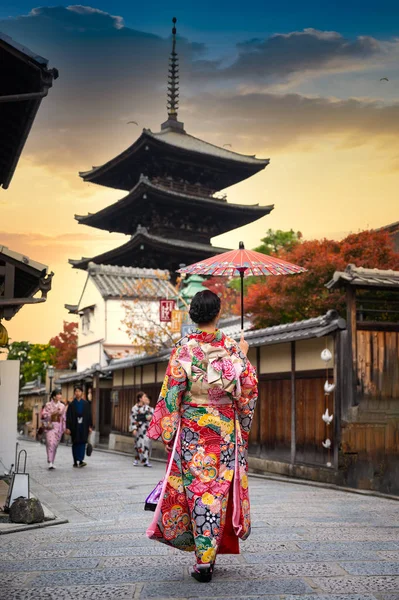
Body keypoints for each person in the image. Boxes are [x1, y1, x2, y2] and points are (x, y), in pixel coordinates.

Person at [147, 290, 258, 582]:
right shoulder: (232, 348)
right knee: (217, 492)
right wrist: (243, 357)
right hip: (223, 430)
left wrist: (168, 430)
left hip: (193, 431)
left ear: (193, 316)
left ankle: (204, 561)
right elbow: (247, 390)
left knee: (198, 491)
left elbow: (171, 395)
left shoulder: (183, 350)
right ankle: (207, 556)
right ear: (218, 314)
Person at [65, 385, 93, 468]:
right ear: (74, 393)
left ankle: (81, 460)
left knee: (82, 442)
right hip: (75, 425)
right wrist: (68, 427)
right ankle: (75, 461)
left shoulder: (86, 404)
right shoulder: (72, 405)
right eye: (76, 391)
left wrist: (90, 426)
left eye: (79, 391)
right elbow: (68, 417)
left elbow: (89, 415)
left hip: (84, 425)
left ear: (82, 393)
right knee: (75, 442)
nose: (77, 393)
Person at [41, 389, 66, 470]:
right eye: (58, 394)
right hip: (50, 426)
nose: (60, 396)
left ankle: (52, 461)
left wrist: (64, 428)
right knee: (50, 442)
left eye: (60, 394)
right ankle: (50, 461)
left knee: (55, 445)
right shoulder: (48, 405)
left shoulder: (62, 406)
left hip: (58, 426)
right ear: (54, 396)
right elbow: (44, 415)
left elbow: (63, 418)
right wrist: (52, 413)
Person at [130, 391, 154, 467]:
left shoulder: (148, 408)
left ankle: (146, 460)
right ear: (140, 398)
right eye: (144, 397)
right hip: (138, 428)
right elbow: (133, 418)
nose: (145, 398)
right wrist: (133, 428)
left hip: (146, 428)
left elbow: (151, 416)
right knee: (138, 444)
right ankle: (136, 459)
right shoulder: (134, 408)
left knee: (147, 443)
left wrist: (150, 417)